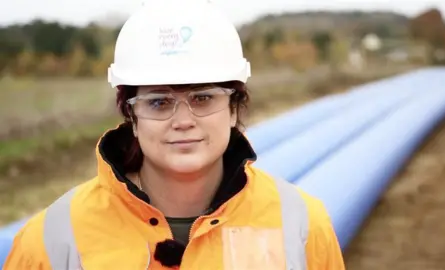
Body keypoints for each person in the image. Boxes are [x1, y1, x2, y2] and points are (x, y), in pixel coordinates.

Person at [3, 1, 345, 269]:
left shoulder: (301, 226)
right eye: (159, 102)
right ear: (132, 117)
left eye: (202, 98)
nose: (183, 121)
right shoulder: (53, 241)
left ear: (234, 109)